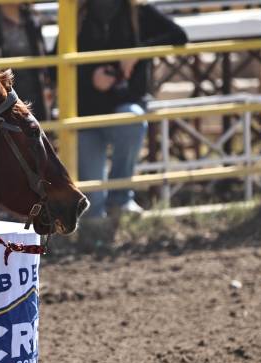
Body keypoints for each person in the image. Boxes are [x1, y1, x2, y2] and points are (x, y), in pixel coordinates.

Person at [68, 0, 186, 218]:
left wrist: (139, 52)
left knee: (133, 119)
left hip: (122, 105)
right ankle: (99, 226)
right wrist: (91, 77)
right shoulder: (76, 13)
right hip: (85, 114)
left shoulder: (137, 11)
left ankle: (121, 199)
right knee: (92, 207)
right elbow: (55, 68)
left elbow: (179, 36)